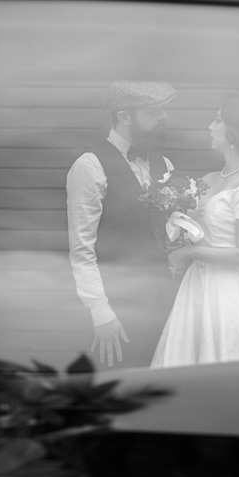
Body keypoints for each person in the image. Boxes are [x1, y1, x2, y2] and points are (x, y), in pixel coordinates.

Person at [151, 93, 239, 367]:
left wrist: (191, 251)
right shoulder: (208, 180)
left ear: (235, 130)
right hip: (197, 285)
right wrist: (179, 235)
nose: (210, 127)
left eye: (217, 120)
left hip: (228, 291)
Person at [66, 81, 178, 368]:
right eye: (153, 112)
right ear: (124, 117)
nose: (163, 118)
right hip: (118, 309)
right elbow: (82, 249)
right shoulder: (89, 166)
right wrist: (100, 311)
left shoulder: (164, 164)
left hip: (166, 303)